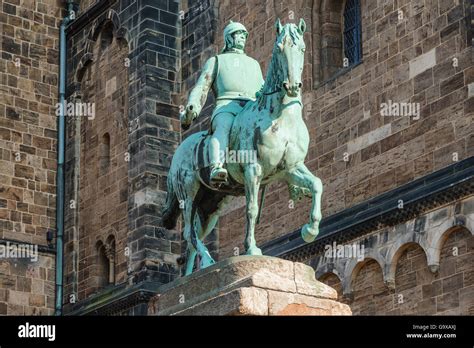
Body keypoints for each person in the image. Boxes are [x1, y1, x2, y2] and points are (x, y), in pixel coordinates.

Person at [181, 21, 264, 187]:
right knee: (223, 126)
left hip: (251, 107)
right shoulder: (216, 61)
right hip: (227, 106)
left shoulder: (254, 64)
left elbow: (262, 87)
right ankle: (216, 166)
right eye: (237, 34)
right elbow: (202, 87)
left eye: (243, 35)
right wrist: (192, 107)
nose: (242, 37)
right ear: (229, 38)